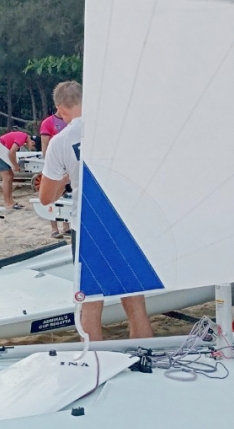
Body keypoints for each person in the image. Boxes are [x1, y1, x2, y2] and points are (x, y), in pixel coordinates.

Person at [38, 80, 152, 341]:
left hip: (89, 226)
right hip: (126, 222)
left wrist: (67, 178)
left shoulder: (61, 141)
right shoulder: (118, 131)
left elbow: (46, 197)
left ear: (60, 110)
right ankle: (145, 358)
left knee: (90, 302)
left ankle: (94, 363)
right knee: (134, 301)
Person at [38, 111, 71, 238]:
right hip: (55, 165)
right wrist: (49, 164)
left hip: (68, 164)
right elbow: (45, 145)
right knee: (52, 196)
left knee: (68, 196)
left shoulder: (72, 121)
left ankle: (66, 226)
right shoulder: (48, 122)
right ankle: (54, 228)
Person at [0, 128, 36, 210]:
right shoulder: (22, 137)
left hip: (1, 149)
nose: (30, 148)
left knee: (10, 176)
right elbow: (12, 152)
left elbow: (12, 152)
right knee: (6, 177)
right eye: (32, 147)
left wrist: (14, 164)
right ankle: (7, 203)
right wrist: (15, 166)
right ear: (32, 142)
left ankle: (10, 201)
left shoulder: (23, 138)